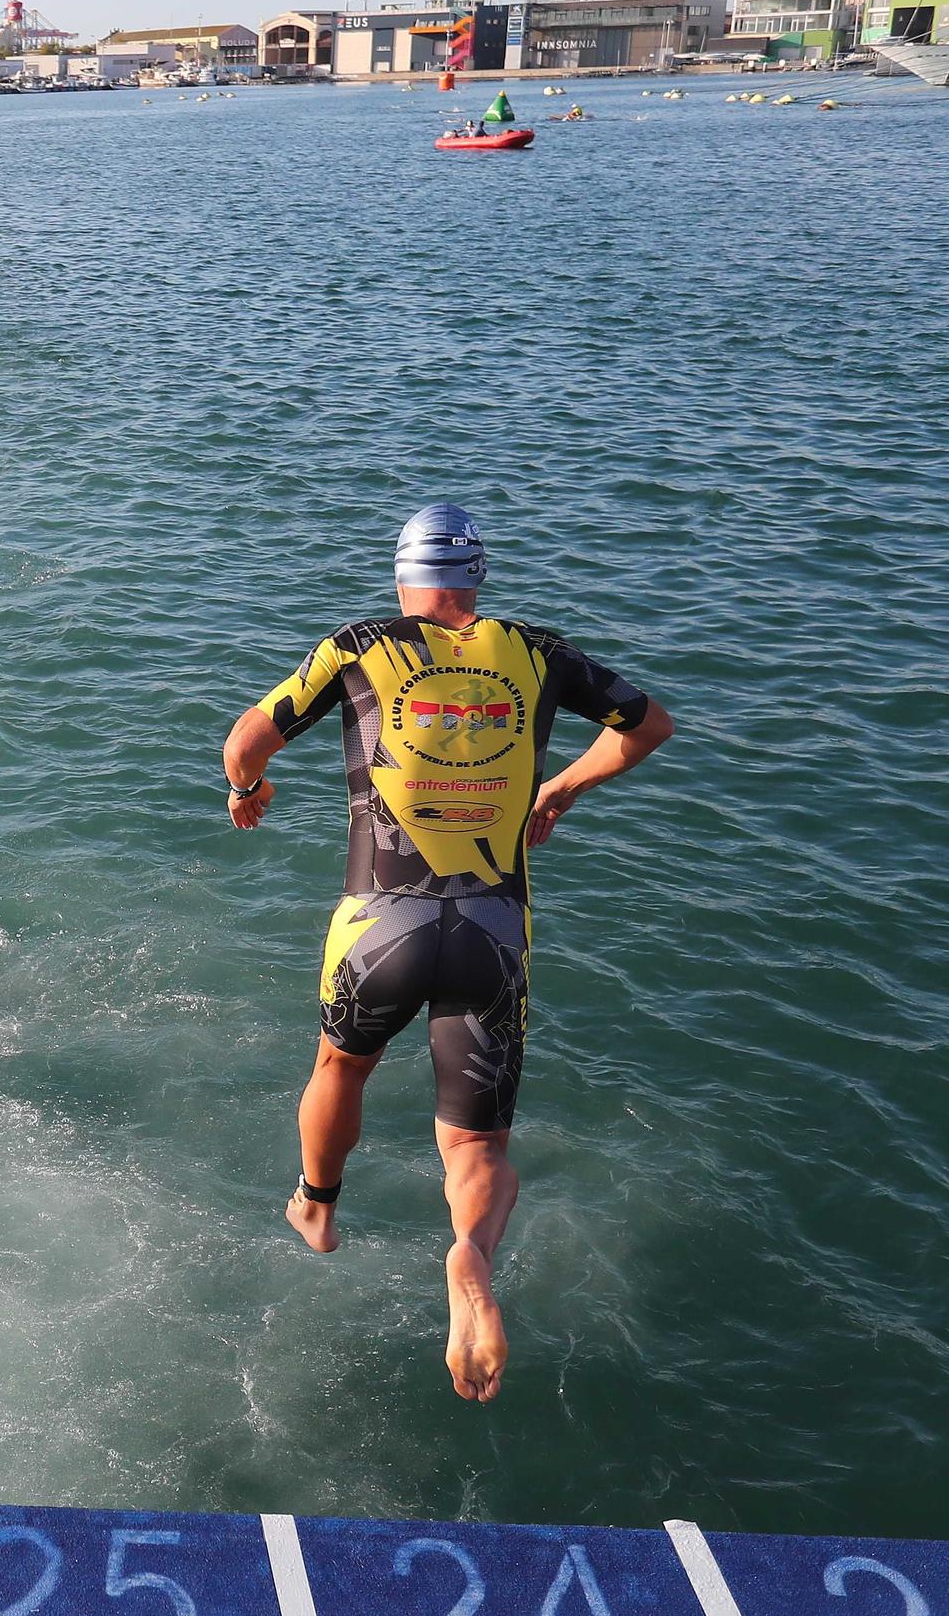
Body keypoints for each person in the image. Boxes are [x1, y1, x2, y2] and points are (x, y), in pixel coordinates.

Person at [221, 505, 673, 1405]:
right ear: (477, 576)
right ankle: (468, 1255)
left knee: (341, 1067)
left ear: (401, 574)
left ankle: (315, 1203)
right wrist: (561, 786)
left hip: (376, 926)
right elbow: (647, 724)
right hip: (492, 932)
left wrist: (246, 787)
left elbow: (246, 739)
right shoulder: (540, 653)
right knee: (475, 1141)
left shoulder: (356, 645)